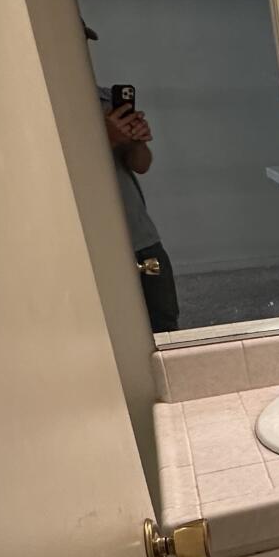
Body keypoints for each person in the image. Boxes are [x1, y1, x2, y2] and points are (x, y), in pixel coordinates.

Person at [84, 22, 180, 331]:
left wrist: (136, 141)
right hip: (93, 243)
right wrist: (105, 137)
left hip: (141, 237)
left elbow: (140, 165)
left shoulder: (107, 102)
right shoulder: (53, 112)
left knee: (164, 321)